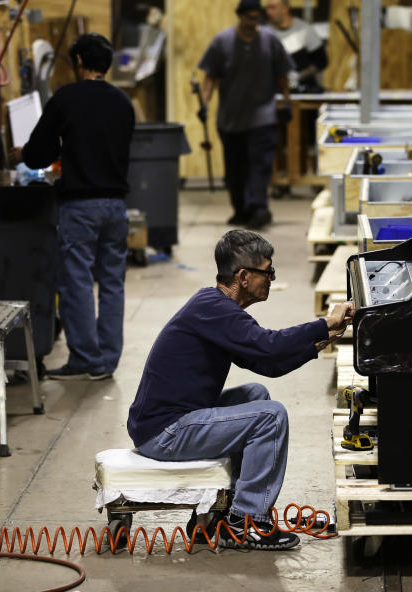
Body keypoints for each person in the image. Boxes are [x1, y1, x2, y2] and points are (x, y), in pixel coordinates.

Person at [127, 229, 354, 550]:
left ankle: (225, 509)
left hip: (172, 421)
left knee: (255, 394)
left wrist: (322, 341)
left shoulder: (216, 310)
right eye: (268, 271)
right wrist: (324, 323)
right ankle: (247, 522)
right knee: (270, 416)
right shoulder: (214, 308)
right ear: (244, 276)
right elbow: (269, 345)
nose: (272, 278)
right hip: (163, 432)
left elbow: (269, 364)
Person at [9, 33, 135, 381]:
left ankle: (84, 360)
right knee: (112, 283)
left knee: (77, 281)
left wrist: (22, 154)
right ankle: (107, 360)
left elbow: (38, 154)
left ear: (79, 62)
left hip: (80, 206)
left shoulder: (67, 99)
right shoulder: (123, 102)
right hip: (116, 207)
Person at [198, 0, 294, 230]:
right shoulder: (222, 41)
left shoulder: (270, 40)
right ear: (240, 17)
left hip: (263, 116)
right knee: (235, 170)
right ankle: (241, 209)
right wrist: (204, 103)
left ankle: (258, 207)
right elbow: (210, 76)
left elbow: (282, 74)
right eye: (249, 18)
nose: (253, 23)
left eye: (256, 18)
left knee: (259, 165)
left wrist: (286, 101)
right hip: (231, 119)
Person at [264, 0, 328, 93]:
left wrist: (299, 76)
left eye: (272, 7)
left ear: (285, 9)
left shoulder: (304, 29)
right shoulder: (266, 33)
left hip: (303, 92)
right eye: (267, 8)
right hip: (275, 93)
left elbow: (321, 61)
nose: (268, 12)